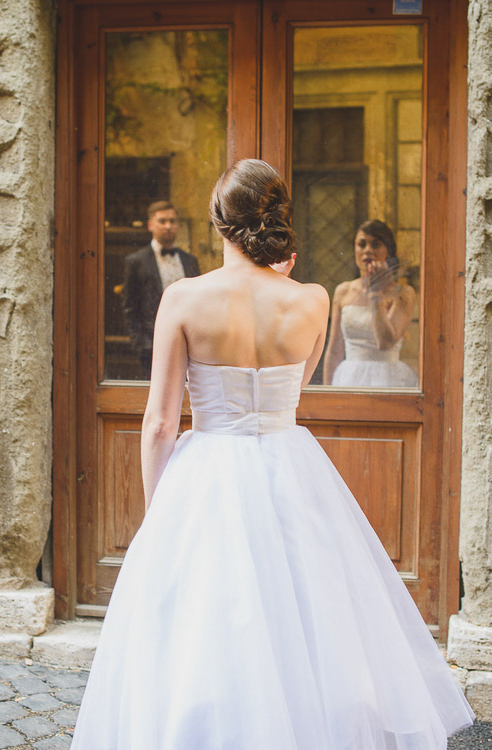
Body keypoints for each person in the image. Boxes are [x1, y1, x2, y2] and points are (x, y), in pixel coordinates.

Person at [71, 160, 473, 750]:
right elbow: (299, 381)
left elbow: (159, 422)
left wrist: (160, 513)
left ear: (218, 223)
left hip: (208, 465)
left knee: (205, 627)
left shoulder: (184, 298)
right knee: (309, 618)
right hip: (290, 463)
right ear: (275, 223)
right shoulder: (312, 299)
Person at [323, 219, 418, 387]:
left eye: (375, 245)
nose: (367, 250)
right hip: (349, 378)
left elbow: (385, 343)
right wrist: (326, 393)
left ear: (388, 251)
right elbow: (335, 349)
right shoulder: (343, 291)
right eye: (362, 244)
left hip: (388, 380)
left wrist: (376, 295)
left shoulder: (403, 294)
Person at [123, 201, 200, 378]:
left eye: (172, 221)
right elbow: (130, 308)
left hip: (190, 347)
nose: (168, 226)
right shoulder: (136, 262)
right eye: (162, 221)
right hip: (152, 348)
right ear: (150, 224)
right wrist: (141, 345)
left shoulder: (189, 260)